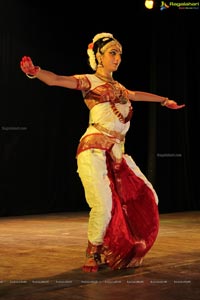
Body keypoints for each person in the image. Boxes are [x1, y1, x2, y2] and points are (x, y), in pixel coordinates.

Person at [20, 32, 185, 273]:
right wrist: (35, 72)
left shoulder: (120, 87)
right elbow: (56, 79)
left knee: (147, 196)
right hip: (94, 149)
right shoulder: (89, 81)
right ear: (99, 56)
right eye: (112, 53)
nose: (117, 58)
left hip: (117, 153)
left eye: (119, 54)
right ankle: (93, 251)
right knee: (104, 205)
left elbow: (137, 95)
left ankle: (116, 245)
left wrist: (164, 100)